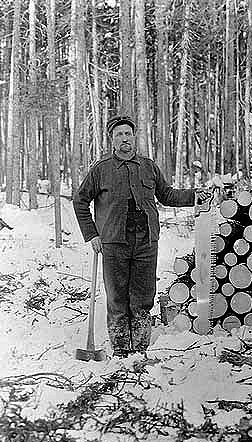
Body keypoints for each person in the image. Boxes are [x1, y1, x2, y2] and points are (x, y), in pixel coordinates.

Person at [73, 115, 211, 357]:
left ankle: (140, 348)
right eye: (119, 135)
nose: (124, 138)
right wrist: (91, 234)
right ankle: (121, 349)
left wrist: (195, 196)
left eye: (128, 133)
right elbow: (80, 200)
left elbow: (167, 195)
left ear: (134, 137)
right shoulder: (101, 169)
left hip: (146, 242)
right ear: (112, 140)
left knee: (143, 296)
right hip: (114, 242)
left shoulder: (148, 166)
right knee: (117, 297)